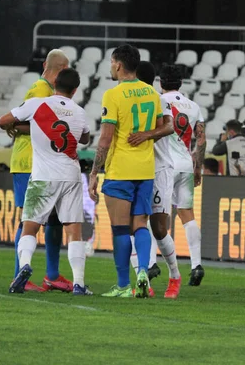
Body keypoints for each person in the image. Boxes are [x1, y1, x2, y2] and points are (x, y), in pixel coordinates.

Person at [0, 68, 92, 296]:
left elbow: (3, 121)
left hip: (43, 175)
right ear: (75, 90)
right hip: (70, 174)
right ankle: (78, 283)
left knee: (30, 226)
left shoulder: (37, 105)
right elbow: (85, 138)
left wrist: (25, 127)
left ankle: (24, 266)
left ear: (55, 84)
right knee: (73, 230)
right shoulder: (79, 112)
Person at [88, 44, 166, 299]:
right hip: (145, 170)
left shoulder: (113, 95)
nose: (111, 67)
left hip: (120, 169)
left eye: (111, 62)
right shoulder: (151, 92)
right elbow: (162, 128)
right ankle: (143, 271)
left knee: (121, 230)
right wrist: (146, 135)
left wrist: (93, 173)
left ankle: (123, 285)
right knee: (140, 225)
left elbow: (105, 139)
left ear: (119, 64)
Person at [132, 63, 206, 288]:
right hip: (185, 163)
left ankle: (152, 262)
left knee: (155, 216)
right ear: (181, 83)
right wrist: (197, 168)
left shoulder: (157, 100)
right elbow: (201, 140)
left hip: (163, 165)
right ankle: (196, 264)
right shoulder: (194, 106)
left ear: (160, 82)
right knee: (187, 215)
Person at [7, 48, 72, 293]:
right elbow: (17, 121)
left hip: (44, 164)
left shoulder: (48, 91)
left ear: (45, 63)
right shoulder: (41, 90)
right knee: (28, 221)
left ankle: (52, 275)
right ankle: (18, 276)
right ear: (63, 70)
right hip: (28, 163)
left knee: (53, 220)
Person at [127, 60, 182, 298]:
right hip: (134, 170)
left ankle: (175, 276)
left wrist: (145, 136)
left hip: (159, 169)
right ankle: (144, 280)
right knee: (132, 226)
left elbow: (170, 127)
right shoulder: (126, 99)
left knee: (159, 229)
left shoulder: (159, 100)